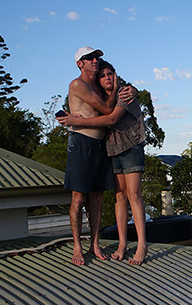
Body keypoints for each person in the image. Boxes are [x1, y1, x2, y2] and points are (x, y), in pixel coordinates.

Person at [58, 59, 148, 265]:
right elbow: (95, 108)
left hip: (128, 148)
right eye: (103, 75)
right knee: (114, 197)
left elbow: (110, 118)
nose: (107, 77)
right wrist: (72, 118)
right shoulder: (93, 93)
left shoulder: (123, 93)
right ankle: (117, 245)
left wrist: (76, 121)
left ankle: (141, 245)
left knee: (131, 195)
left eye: (110, 74)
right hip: (109, 149)